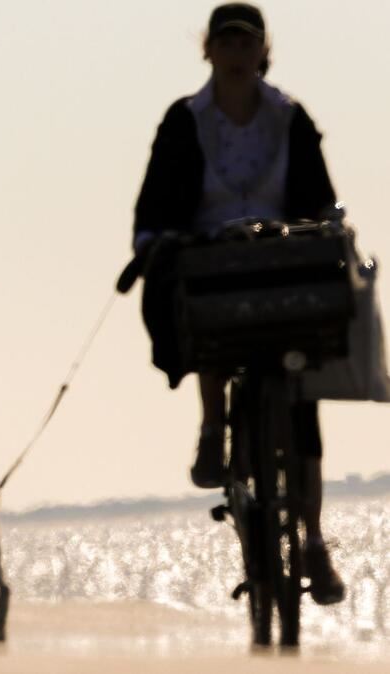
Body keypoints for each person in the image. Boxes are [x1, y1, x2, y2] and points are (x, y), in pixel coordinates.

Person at [133, 3, 344, 605]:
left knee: (302, 405)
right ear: (208, 50)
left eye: (246, 43)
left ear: (262, 51)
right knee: (204, 318)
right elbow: (156, 195)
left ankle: (314, 540)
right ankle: (212, 427)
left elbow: (320, 192)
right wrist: (152, 240)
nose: (236, 53)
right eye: (226, 42)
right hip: (210, 253)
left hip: (282, 256)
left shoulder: (288, 115)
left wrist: (328, 226)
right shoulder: (186, 118)